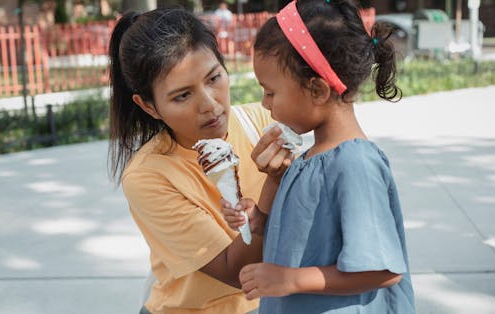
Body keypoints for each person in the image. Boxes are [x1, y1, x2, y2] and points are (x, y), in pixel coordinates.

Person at [222, 0, 415, 313]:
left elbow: (384, 269)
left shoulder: (355, 164)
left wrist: (292, 280)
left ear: (317, 90)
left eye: (270, 92)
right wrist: (260, 219)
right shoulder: (308, 158)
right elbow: (306, 238)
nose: (265, 103)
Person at [107, 8, 292, 314]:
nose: (209, 104)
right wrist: (274, 183)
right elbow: (237, 274)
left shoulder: (260, 123)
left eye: (214, 78)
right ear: (148, 106)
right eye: (182, 96)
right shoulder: (148, 176)